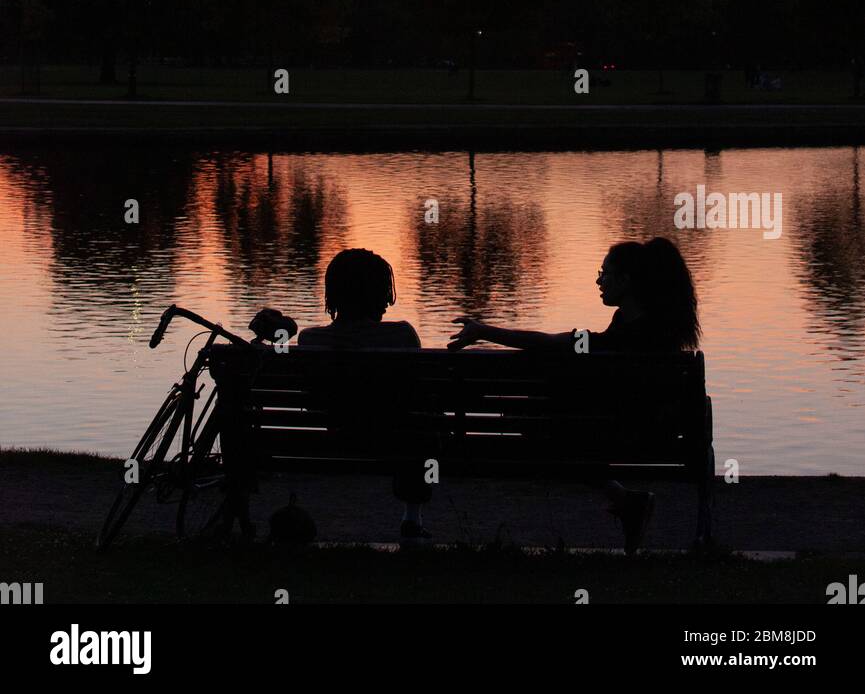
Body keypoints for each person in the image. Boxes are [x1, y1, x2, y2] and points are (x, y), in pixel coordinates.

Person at [448, 237, 700, 553]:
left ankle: (623, 499)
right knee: (546, 423)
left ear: (626, 281)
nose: (598, 279)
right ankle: (625, 501)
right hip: (655, 437)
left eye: (604, 273)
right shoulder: (654, 332)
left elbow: (558, 343)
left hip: (624, 434)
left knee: (540, 428)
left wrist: (486, 332)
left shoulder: (627, 337)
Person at [298, 249, 433, 542]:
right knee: (422, 427)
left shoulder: (309, 340)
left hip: (327, 441)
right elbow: (416, 394)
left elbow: (310, 403)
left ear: (333, 294)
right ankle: (412, 517)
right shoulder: (402, 336)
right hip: (397, 441)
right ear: (379, 295)